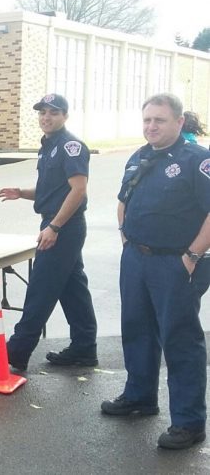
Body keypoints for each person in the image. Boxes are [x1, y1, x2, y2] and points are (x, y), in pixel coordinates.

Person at [101, 93, 210, 450]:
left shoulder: (198, 160)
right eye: (147, 119)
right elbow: (124, 201)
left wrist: (192, 256)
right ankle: (139, 397)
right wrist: (125, 240)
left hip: (174, 262)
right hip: (136, 258)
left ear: (179, 123)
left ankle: (189, 421)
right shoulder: (140, 155)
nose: (151, 126)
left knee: (180, 339)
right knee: (136, 330)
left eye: (159, 120)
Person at [0, 93, 97, 372]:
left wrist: (54, 227)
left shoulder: (71, 146)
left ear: (65, 115)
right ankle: (84, 347)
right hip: (57, 224)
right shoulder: (49, 145)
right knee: (73, 288)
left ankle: (16, 351)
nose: (46, 117)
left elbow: (78, 189)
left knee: (41, 287)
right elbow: (53, 190)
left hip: (63, 226)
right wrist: (22, 193)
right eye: (42, 112)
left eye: (53, 112)